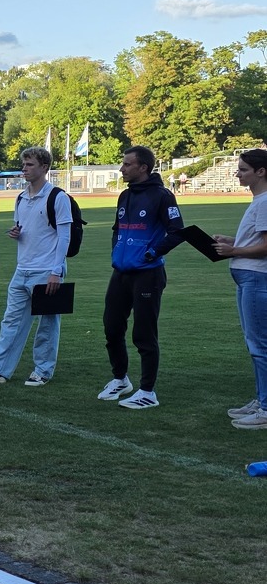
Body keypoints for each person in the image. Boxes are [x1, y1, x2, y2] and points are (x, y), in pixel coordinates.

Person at [0, 146, 70, 388]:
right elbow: (25, 228)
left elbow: (65, 237)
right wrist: (16, 233)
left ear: (44, 167)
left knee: (47, 324)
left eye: (30, 164)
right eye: (23, 164)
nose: (24, 168)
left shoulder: (58, 197)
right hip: (22, 269)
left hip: (47, 271)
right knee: (10, 323)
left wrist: (56, 271)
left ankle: (42, 371)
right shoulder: (21, 197)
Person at [100, 145, 184, 411]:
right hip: (121, 272)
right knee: (112, 327)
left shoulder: (162, 196)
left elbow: (177, 231)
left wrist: (151, 253)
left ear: (143, 167)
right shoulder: (125, 195)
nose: (122, 169)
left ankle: (147, 392)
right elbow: (117, 228)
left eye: (127, 164)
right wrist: (117, 251)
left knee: (144, 333)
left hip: (148, 274)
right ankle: (120, 379)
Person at [213, 147, 267, 428]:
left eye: (243, 170)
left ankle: (266, 408)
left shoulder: (265, 202)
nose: (238, 174)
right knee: (254, 343)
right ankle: (261, 399)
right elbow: (256, 240)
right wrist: (233, 241)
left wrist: (234, 251)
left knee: (260, 345)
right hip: (248, 278)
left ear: (261, 172)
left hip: (257, 278)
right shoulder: (259, 200)